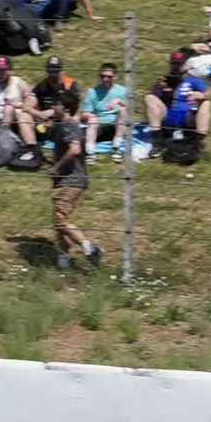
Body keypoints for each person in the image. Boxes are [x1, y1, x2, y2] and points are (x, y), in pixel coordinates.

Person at [44, 92, 103, 269]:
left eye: (57, 104)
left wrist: (57, 167)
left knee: (60, 220)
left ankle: (90, 248)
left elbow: (75, 149)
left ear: (66, 108)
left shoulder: (69, 125)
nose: (54, 107)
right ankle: (63, 261)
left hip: (71, 179)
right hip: (64, 180)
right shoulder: (62, 125)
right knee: (59, 220)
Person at [82, 62, 132, 158]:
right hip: (99, 127)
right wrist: (91, 116)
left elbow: (131, 109)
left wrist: (119, 101)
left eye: (109, 77)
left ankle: (116, 147)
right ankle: (90, 152)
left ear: (115, 77)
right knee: (92, 120)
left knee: (123, 110)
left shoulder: (123, 91)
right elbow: (85, 113)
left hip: (116, 126)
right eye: (103, 76)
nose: (105, 79)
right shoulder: (92, 92)